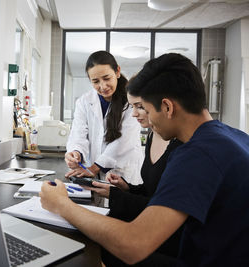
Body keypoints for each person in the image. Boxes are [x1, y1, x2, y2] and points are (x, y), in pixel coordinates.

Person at [40, 53, 249, 266]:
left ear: (167, 107)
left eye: (145, 109)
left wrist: (61, 204)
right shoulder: (233, 137)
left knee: (98, 248)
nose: (139, 116)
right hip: (205, 247)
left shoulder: (197, 154)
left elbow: (133, 244)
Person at [86, 91, 183, 266]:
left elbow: (163, 209)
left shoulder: (181, 147)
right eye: (132, 107)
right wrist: (127, 188)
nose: (133, 114)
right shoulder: (154, 135)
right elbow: (153, 190)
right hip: (156, 224)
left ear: (165, 106)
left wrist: (65, 207)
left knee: (104, 242)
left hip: (174, 241)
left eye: (140, 107)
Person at [65, 50, 143, 185]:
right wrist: (75, 153)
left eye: (107, 78)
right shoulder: (84, 102)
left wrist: (94, 168)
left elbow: (124, 141)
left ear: (117, 72)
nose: (103, 86)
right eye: (95, 81)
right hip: (93, 172)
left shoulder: (132, 100)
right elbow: (78, 133)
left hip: (123, 173)